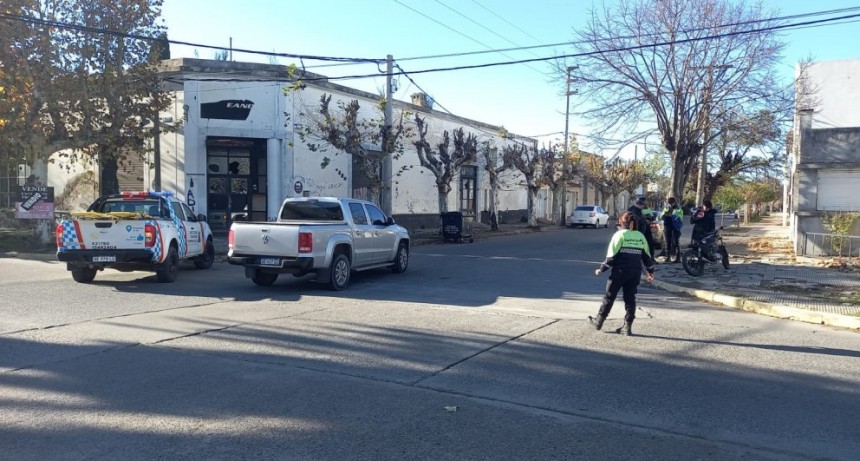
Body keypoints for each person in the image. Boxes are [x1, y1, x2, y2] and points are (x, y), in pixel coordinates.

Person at [588, 211, 656, 336]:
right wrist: (650, 272)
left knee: (609, 296)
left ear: (621, 222)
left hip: (620, 272)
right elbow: (646, 257)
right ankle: (627, 326)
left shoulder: (619, 235)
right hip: (635, 272)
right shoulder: (640, 236)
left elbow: (611, 257)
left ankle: (599, 321)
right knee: (630, 298)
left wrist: (601, 269)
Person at [659, 197, 683, 263]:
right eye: (669, 203)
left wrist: (672, 216)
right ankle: (668, 257)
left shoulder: (678, 209)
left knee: (676, 242)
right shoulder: (666, 208)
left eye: (672, 203)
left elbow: (680, 218)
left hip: (675, 226)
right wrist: (665, 215)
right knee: (667, 241)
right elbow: (660, 216)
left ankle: (678, 257)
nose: (671, 204)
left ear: (675, 202)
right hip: (667, 225)